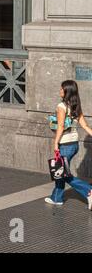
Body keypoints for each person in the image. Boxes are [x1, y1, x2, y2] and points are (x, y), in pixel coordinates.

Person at [45, 80, 92, 209]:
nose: (59, 91)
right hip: (74, 144)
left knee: (63, 173)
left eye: (61, 89)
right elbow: (85, 125)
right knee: (60, 171)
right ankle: (57, 198)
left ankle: (89, 191)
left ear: (67, 91)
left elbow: (60, 126)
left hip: (65, 144)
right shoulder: (75, 106)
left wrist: (55, 143)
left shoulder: (61, 106)